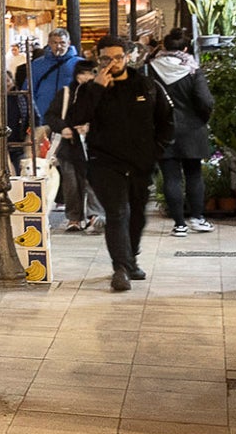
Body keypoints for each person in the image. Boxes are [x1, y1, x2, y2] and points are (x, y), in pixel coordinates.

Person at [67, 35, 173, 293]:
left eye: (117, 57)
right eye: (105, 58)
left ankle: (130, 260)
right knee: (117, 212)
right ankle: (121, 269)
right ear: (97, 57)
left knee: (137, 214)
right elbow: (76, 117)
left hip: (140, 163)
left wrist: (155, 151)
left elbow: (166, 122)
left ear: (128, 57)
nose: (112, 63)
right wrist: (97, 88)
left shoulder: (146, 85)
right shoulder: (90, 88)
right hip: (104, 162)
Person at [149, 32, 218, 236]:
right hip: (191, 128)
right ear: (185, 49)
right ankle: (197, 218)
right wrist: (201, 119)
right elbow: (205, 101)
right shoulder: (192, 70)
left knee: (171, 177)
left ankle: (179, 225)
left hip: (162, 130)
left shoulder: (151, 69)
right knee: (194, 174)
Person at [17, 30, 80, 193]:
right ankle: (39, 195)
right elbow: (27, 90)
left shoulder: (78, 65)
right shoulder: (38, 65)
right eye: (55, 42)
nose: (58, 46)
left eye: (62, 43)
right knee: (39, 160)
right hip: (42, 121)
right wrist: (33, 114)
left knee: (68, 163)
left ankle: (63, 198)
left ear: (69, 43)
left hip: (67, 123)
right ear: (49, 43)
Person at [45, 60, 99, 233]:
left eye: (91, 73)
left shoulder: (101, 94)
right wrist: (63, 128)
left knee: (92, 181)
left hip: (93, 146)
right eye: (83, 73)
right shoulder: (66, 93)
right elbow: (51, 115)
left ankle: (94, 216)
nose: (87, 77)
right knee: (71, 183)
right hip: (69, 146)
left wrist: (90, 127)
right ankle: (74, 218)